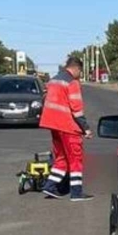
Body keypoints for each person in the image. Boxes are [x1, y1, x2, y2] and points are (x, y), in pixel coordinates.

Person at [39, 56, 93, 201]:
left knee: (61, 158)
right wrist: (86, 128)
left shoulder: (53, 80)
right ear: (76, 68)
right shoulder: (72, 82)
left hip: (53, 125)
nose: (79, 75)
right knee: (76, 159)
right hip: (68, 127)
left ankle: (50, 186)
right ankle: (76, 192)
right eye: (80, 72)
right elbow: (77, 109)